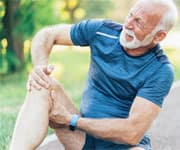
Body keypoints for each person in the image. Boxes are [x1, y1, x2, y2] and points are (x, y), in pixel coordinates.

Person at [9, 0, 178, 150]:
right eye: (130, 15)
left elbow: (132, 133)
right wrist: (39, 67)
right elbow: (46, 35)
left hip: (123, 146)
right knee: (43, 83)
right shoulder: (102, 31)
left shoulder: (160, 70)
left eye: (139, 23)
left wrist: (71, 120)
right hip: (81, 139)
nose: (128, 24)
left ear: (159, 36)